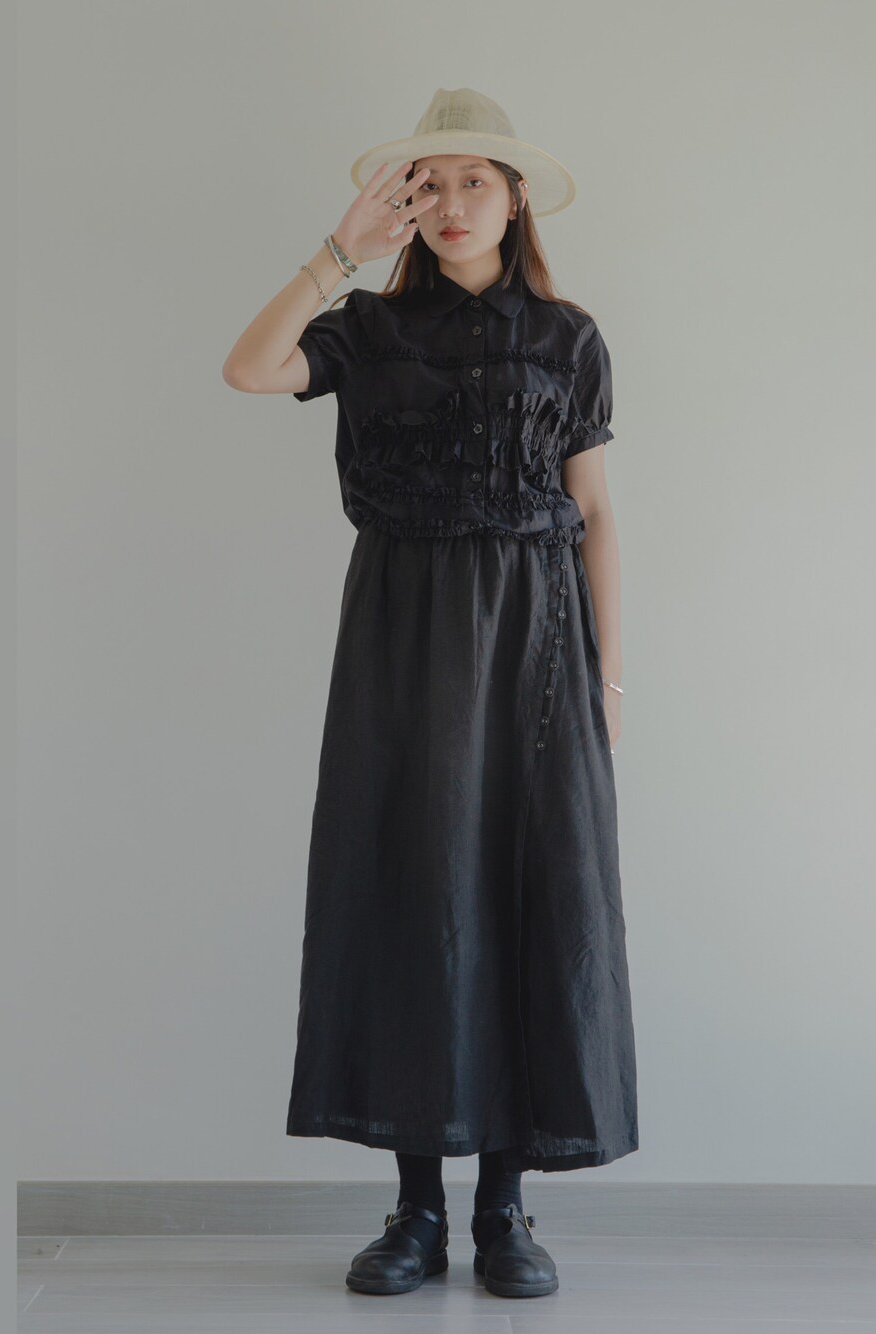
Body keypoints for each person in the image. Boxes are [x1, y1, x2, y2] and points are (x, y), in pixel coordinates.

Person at [222, 87, 638, 1301]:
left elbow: (597, 513)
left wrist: (610, 671)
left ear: (514, 198)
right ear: (402, 202)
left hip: (538, 645)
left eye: (473, 181)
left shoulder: (568, 336)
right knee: (411, 894)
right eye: (428, 182)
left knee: (525, 895)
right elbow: (248, 367)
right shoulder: (364, 327)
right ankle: (414, 1208)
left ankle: (504, 1207)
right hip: (400, 639)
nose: (451, 203)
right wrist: (338, 249)